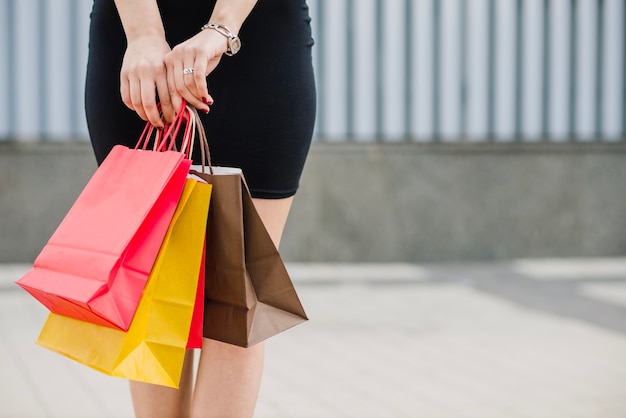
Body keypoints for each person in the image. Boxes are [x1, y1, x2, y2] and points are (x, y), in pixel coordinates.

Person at [84, 0, 316, 416]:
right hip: (136, 47)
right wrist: (142, 34)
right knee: (152, 294)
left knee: (236, 299)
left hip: (256, 38)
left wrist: (222, 28)